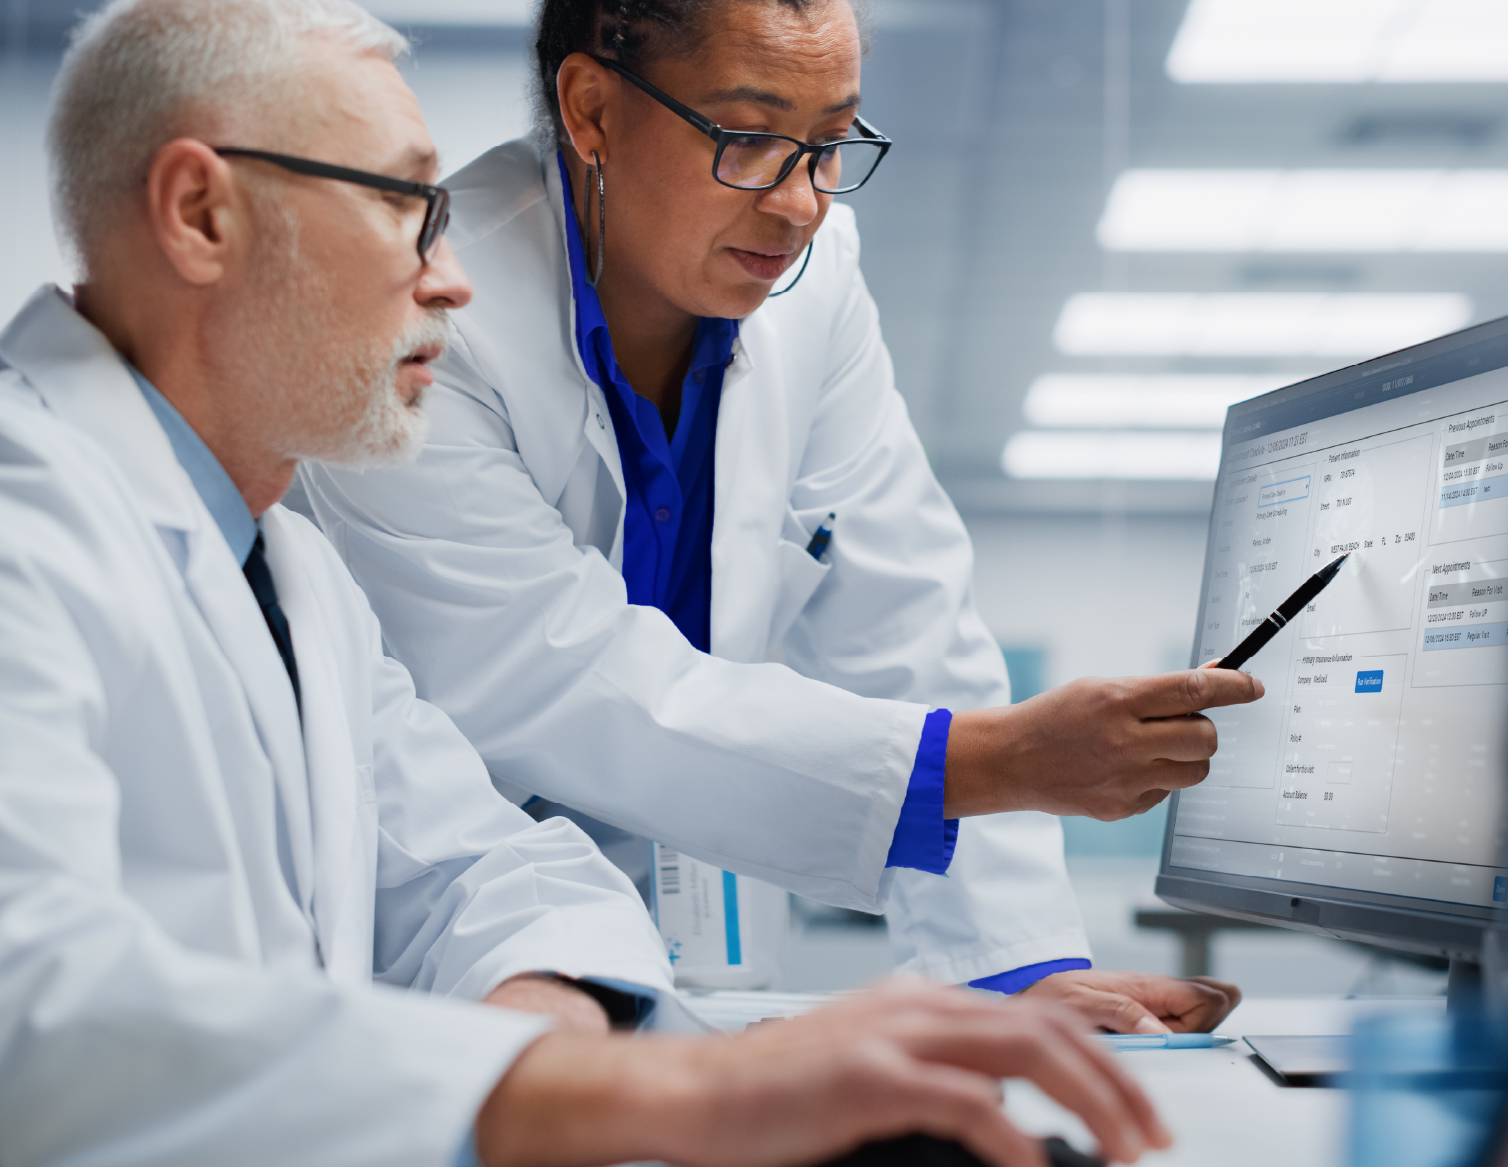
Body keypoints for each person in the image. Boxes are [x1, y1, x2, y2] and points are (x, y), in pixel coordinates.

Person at [0, 1, 1171, 1163]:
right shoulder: (27, 527)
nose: (451, 284)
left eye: (825, 149)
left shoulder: (288, 577)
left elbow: (482, 863)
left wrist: (555, 1037)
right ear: (202, 214)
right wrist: (630, 1099)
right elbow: (34, 1024)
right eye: (407, 209)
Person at [296, 0, 1260, 1029]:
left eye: (831, 144)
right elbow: (545, 672)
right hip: (448, 949)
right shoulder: (432, 307)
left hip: (697, 943)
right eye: (748, 139)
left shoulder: (811, 289)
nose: (802, 203)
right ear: (592, 112)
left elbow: (906, 619)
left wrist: (1014, 968)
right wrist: (993, 761)